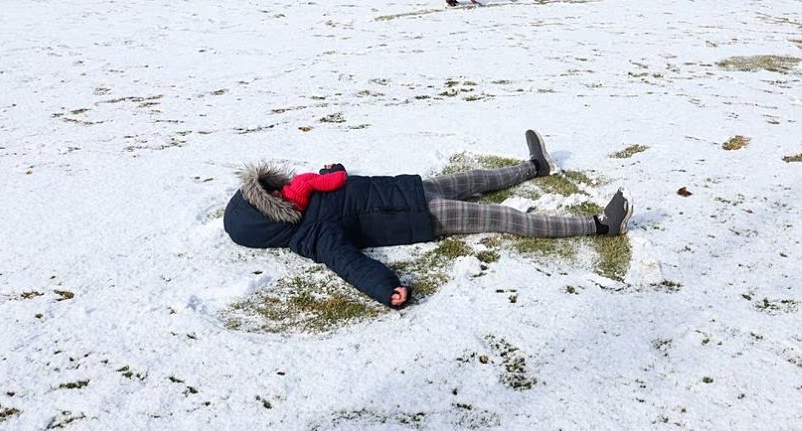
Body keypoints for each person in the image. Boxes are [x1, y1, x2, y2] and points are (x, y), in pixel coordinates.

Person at [223, 131, 634, 309]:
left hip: (413, 188)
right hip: (423, 216)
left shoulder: (304, 194)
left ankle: (535, 167)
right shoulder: (312, 235)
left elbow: (342, 182)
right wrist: (388, 288)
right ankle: (600, 226)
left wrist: (333, 170)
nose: (279, 190)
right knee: (503, 217)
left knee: (477, 179)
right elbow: (349, 264)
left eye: (270, 187)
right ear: (269, 218)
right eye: (270, 197)